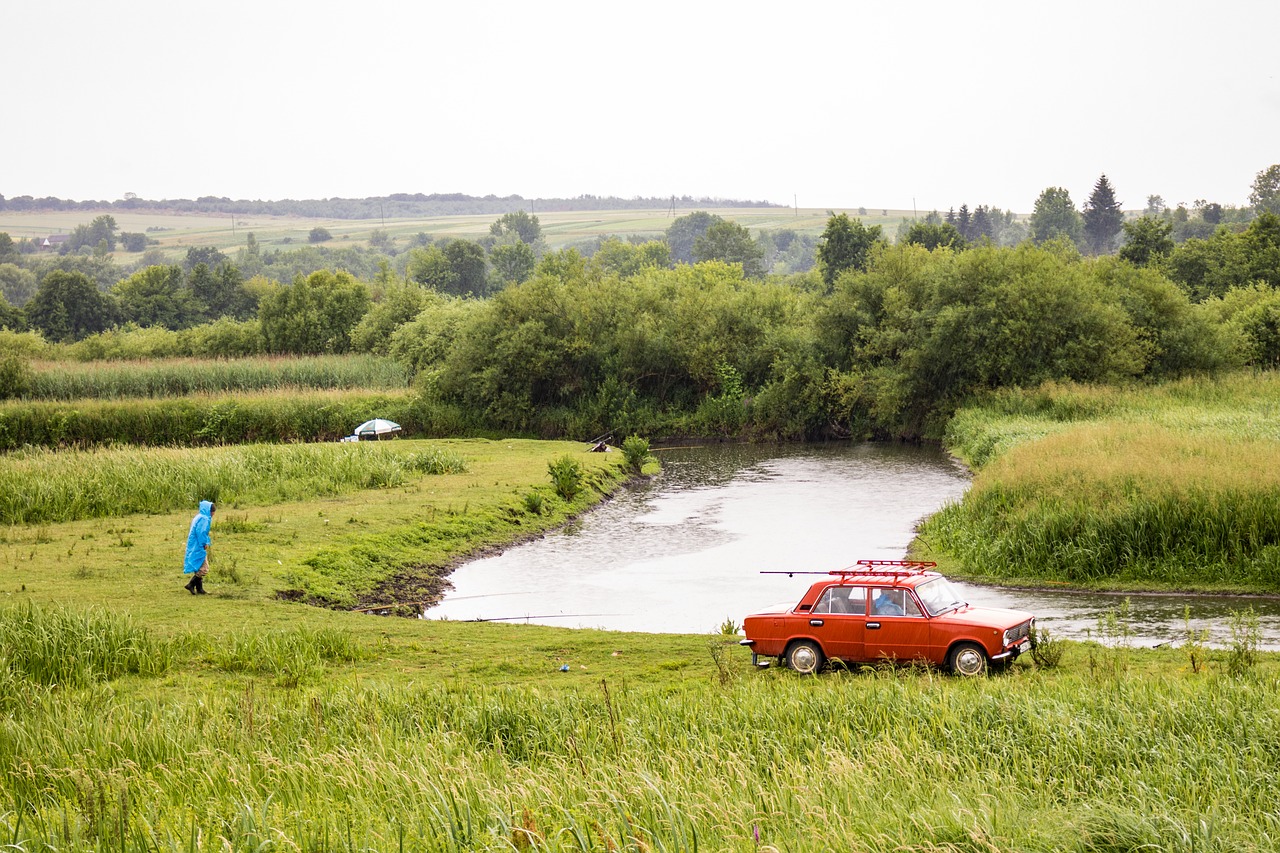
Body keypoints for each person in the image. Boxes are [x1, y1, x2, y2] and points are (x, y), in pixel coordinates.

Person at [183, 500, 215, 595]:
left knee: (199, 566)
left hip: (193, 544)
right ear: (210, 511)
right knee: (204, 568)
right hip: (198, 545)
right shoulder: (205, 519)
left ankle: (200, 589)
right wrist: (204, 543)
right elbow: (201, 533)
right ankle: (191, 584)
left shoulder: (199, 516)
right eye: (213, 512)